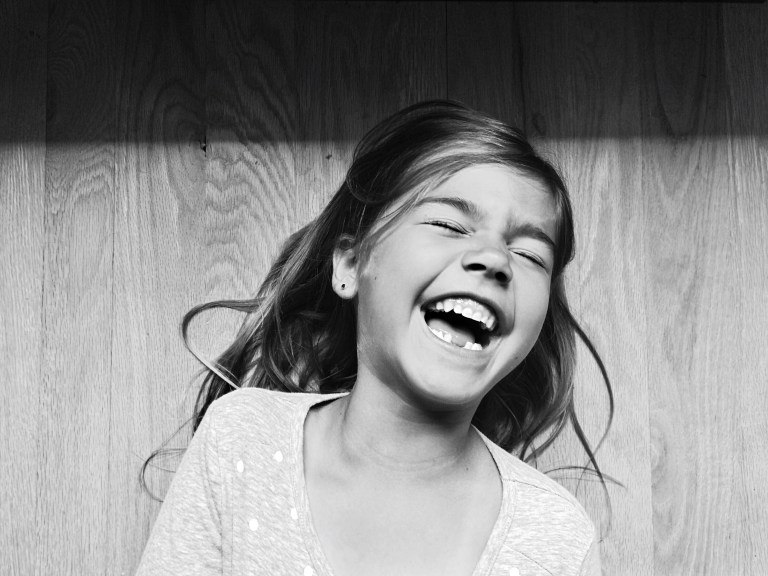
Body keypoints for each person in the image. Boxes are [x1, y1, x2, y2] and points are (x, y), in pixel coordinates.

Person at [136, 100, 613, 576]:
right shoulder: (242, 442)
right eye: (448, 225)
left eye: (530, 255)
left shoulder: (558, 538)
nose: (495, 259)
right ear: (350, 264)